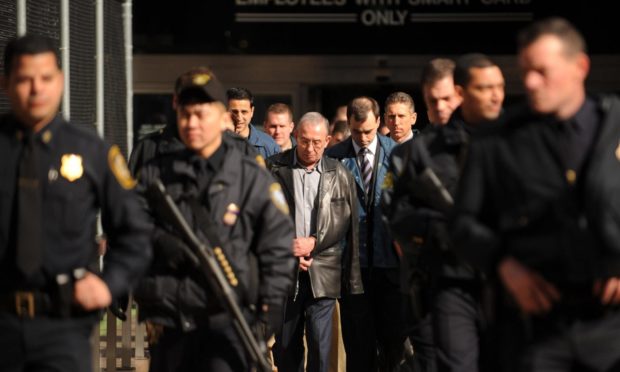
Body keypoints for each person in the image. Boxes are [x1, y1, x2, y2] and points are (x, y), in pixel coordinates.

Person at [452, 17, 620, 372]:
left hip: (611, 327)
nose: (529, 82)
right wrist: (502, 264)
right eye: (525, 71)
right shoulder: (496, 141)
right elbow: (462, 224)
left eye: (542, 71)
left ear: (581, 67)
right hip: (534, 328)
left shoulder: (615, 126)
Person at [0, 34, 152, 371]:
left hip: (64, 328)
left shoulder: (91, 151)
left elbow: (135, 233)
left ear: (61, 81)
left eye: (46, 78)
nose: (37, 89)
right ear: (6, 83)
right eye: (25, 79)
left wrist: (108, 285)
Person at [133, 69, 296, 371]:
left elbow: (276, 243)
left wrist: (271, 303)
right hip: (171, 321)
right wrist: (162, 243)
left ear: (223, 118)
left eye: (201, 114)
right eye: (185, 113)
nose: (192, 122)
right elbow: (130, 232)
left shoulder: (249, 174)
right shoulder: (155, 172)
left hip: (228, 320)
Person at [384, 53, 505, 372]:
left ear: (462, 93)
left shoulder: (500, 138)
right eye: (431, 100)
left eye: (446, 98)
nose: (439, 107)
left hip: (501, 275)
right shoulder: (417, 152)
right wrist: (439, 229)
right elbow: (397, 215)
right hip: (448, 277)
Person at [268, 112, 363, 372]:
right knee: (287, 349)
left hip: (325, 272)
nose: (310, 148)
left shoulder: (340, 174)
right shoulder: (273, 168)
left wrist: (314, 241)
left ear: (328, 140)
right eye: (305, 141)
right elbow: (261, 218)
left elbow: (347, 223)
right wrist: (287, 247)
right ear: (296, 136)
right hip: (285, 273)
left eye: (317, 142)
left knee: (321, 349)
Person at [326, 96, 403, 372]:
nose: (363, 138)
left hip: (391, 266)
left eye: (369, 131)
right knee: (358, 348)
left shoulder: (398, 156)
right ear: (348, 124)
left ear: (379, 121)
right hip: (353, 268)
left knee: (394, 347)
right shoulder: (334, 158)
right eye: (357, 132)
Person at [129, 67, 258, 178]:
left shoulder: (241, 148)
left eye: (201, 113)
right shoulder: (149, 149)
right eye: (187, 111)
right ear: (175, 102)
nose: (192, 123)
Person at [227, 87, 281, 159]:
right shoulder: (214, 142)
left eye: (244, 112)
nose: (239, 117)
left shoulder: (269, 145)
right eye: (234, 112)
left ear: (252, 111)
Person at [421, 58, 462, 126]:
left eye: (446, 99)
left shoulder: (482, 134)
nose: (440, 107)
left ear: (460, 94)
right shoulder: (423, 137)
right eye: (433, 101)